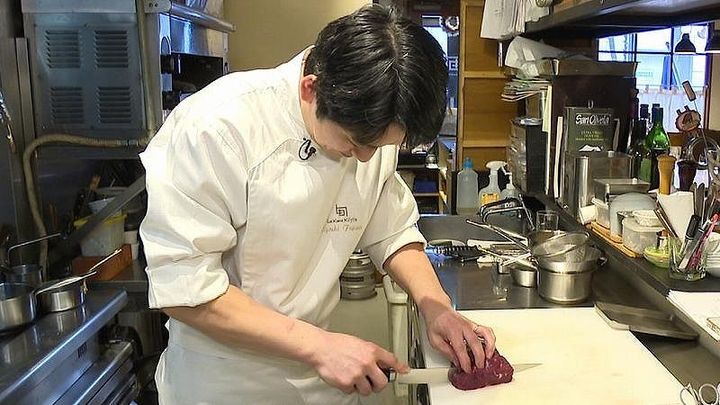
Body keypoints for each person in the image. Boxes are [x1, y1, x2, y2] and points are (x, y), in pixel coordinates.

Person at [140, 5, 496, 404]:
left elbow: (391, 230)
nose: (367, 158)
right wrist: (319, 346)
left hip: (318, 374)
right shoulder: (215, 128)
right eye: (357, 143)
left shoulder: (369, 123)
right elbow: (186, 289)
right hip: (226, 381)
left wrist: (437, 307)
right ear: (311, 88)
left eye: (382, 146)